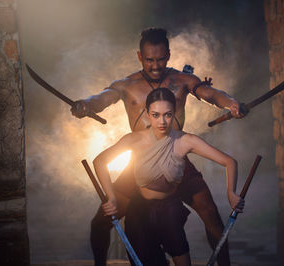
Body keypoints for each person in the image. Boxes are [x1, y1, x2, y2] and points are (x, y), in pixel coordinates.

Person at [71, 28, 247, 265]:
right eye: (149, 60)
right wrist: (85, 105)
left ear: (169, 55)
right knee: (101, 222)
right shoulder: (126, 85)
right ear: (139, 56)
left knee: (211, 215)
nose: (155, 66)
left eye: (161, 59)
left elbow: (211, 94)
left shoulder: (183, 80)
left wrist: (232, 104)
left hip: (176, 161)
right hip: (139, 167)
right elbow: (102, 98)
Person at [93, 88, 244, 266]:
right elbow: (100, 161)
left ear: (175, 114)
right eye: (156, 115)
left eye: (168, 115)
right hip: (139, 210)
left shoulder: (185, 141)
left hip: (170, 209)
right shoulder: (134, 140)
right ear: (147, 114)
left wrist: (231, 193)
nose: (162, 121)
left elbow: (229, 162)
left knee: (182, 258)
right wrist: (111, 197)